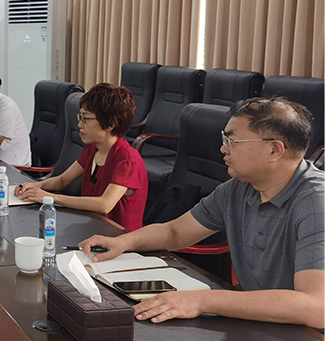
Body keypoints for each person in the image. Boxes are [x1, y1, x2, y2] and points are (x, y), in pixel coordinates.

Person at [80, 97, 325, 328]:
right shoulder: (239, 188)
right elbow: (175, 232)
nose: (223, 149)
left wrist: (201, 300)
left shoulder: (316, 202)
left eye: (232, 141)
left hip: (307, 339)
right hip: (256, 320)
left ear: (274, 150)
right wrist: (123, 242)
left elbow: (316, 307)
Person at [15, 83, 148, 231]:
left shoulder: (127, 159)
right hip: (92, 227)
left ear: (110, 124)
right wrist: (37, 186)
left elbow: (104, 205)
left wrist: (50, 197)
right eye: (80, 117)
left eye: (85, 118)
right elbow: (62, 180)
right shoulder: (92, 149)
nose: (79, 124)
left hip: (118, 237)